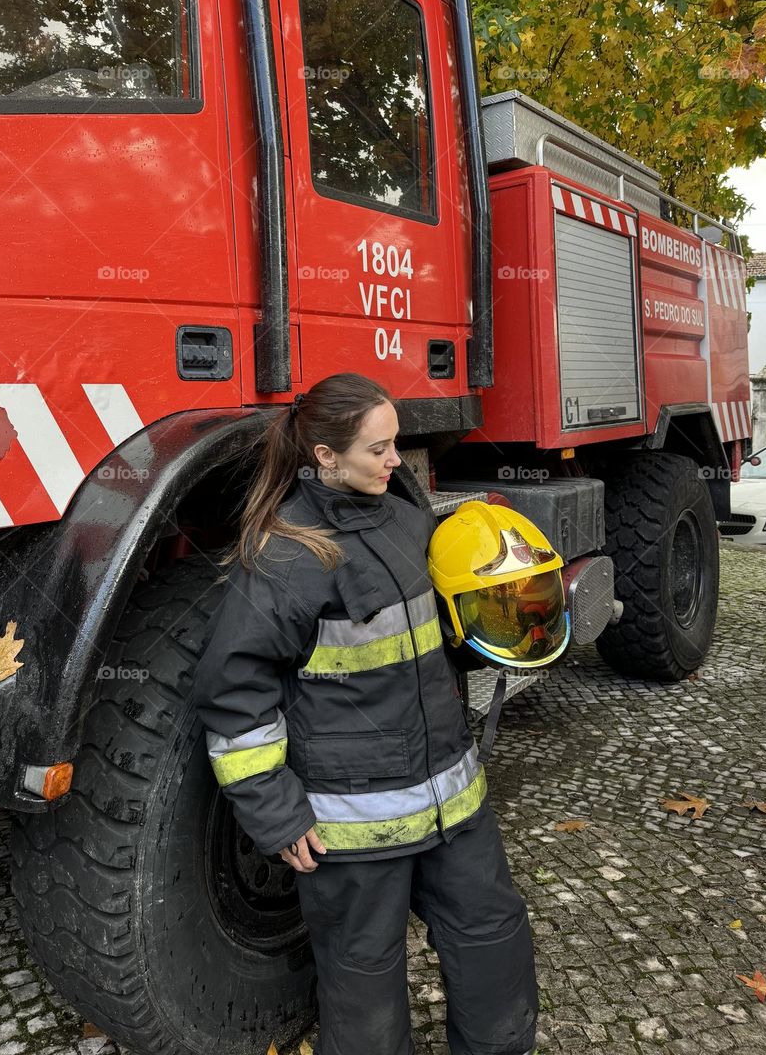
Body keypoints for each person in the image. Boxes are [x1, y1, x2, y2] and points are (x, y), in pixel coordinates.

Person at [192, 372, 538, 1055]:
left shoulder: (410, 523)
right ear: (325, 455)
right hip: (354, 826)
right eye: (377, 450)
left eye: (395, 445)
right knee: (363, 982)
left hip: (454, 804)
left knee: (494, 935)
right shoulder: (289, 557)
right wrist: (276, 814)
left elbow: (432, 647)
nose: (394, 461)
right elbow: (233, 692)